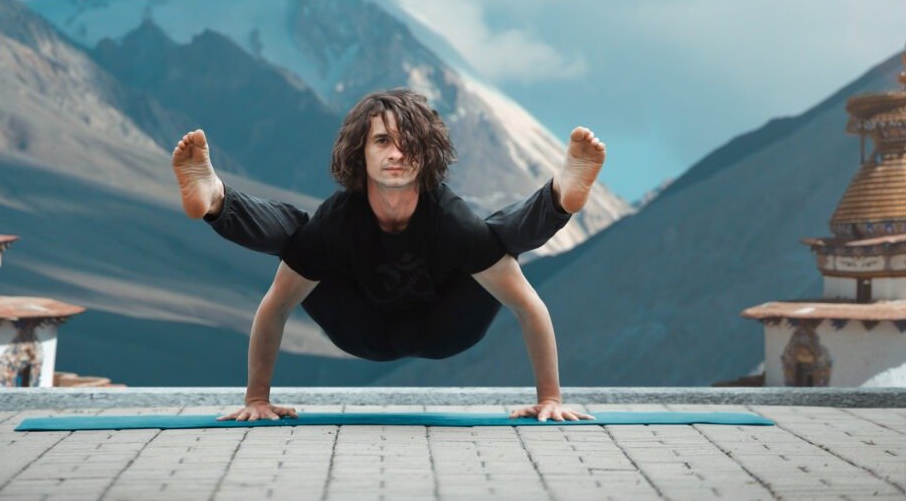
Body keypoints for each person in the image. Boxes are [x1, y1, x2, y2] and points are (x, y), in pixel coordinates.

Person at [171, 89, 606, 423]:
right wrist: (257, 400)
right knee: (297, 235)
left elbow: (528, 308)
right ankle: (216, 200)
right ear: (360, 153)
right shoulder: (338, 220)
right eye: (381, 141)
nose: (396, 153)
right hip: (362, 329)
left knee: (496, 238)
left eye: (407, 142)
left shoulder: (450, 219)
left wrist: (549, 399)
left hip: (446, 327)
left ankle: (560, 198)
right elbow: (276, 307)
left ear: (427, 153)